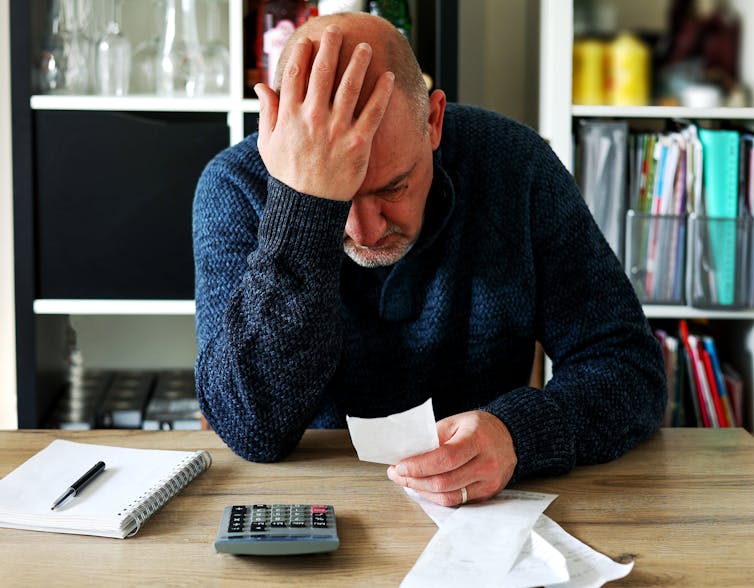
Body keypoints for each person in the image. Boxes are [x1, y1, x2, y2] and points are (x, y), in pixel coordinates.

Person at [192, 12, 667, 507]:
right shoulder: (235, 186)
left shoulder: (514, 165)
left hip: (487, 509)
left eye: (393, 187)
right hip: (312, 508)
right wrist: (302, 206)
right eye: (341, 202)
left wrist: (518, 435)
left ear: (433, 121)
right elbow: (251, 429)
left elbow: (629, 368)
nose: (366, 231)